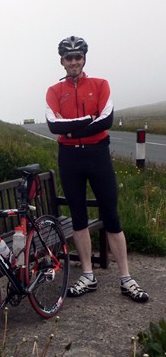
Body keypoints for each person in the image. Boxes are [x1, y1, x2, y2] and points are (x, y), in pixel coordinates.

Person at [45, 36, 149, 303]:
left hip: (97, 155)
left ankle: (126, 278)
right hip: (69, 158)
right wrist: (85, 122)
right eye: (68, 57)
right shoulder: (54, 91)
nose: (73, 61)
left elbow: (107, 120)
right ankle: (88, 275)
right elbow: (53, 126)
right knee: (78, 217)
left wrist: (71, 127)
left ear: (84, 59)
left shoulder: (100, 85)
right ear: (62, 61)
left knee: (111, 216)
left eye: (78, 56)